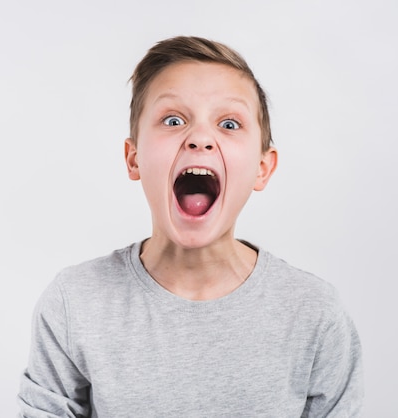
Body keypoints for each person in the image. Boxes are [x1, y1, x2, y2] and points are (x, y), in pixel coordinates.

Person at [18, 36, 363, 417]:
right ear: (134, 158)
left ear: (262, 168)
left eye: (229, 123)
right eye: (173, 120)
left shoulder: (315, 314)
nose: (200, 138)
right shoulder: (74, 303)